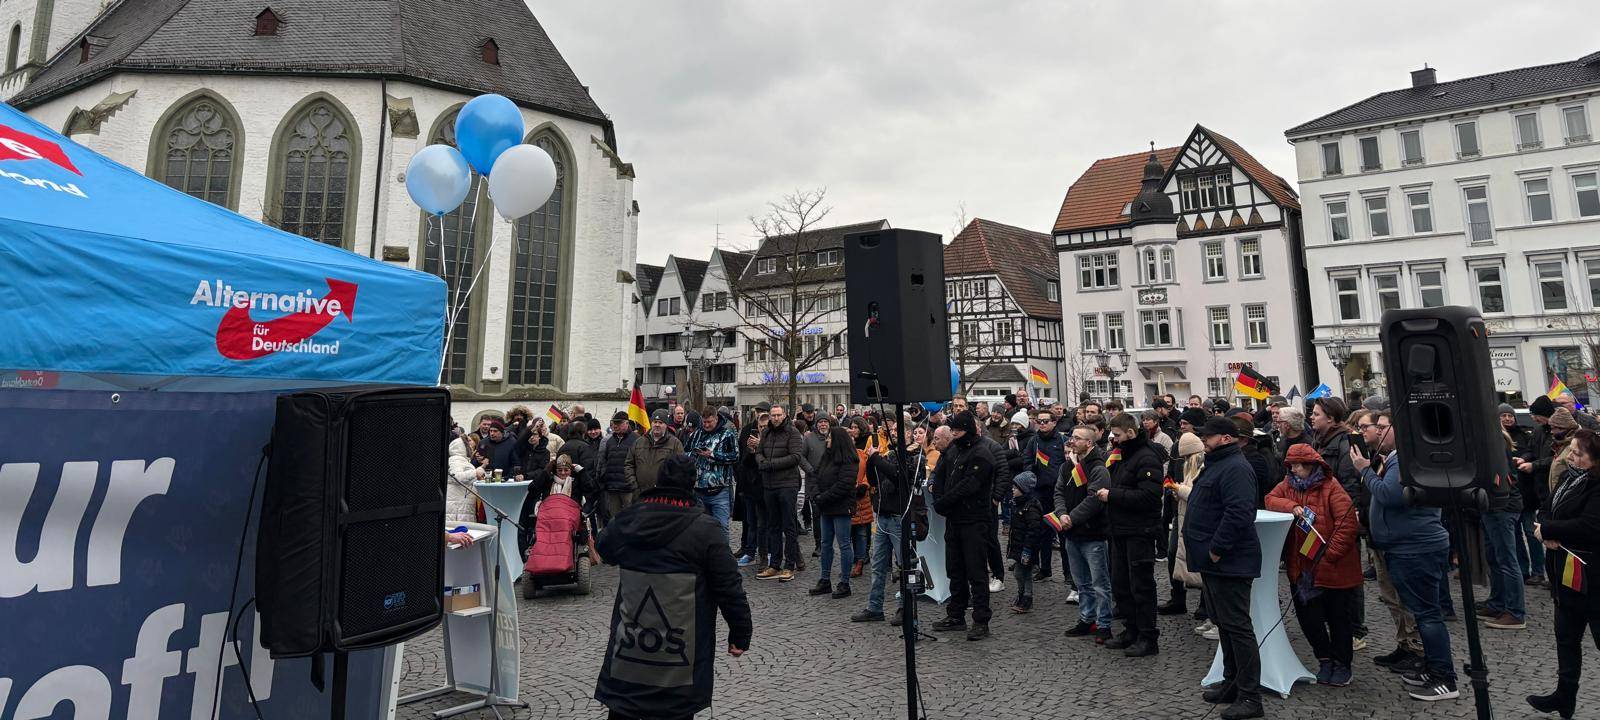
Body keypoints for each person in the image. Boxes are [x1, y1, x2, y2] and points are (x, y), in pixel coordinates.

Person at [593, 455, 752, 720]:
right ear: (693, 484)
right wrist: (740, 633)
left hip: (629, 653)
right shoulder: (706, 529)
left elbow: (604, 549)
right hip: (680, 660)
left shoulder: (630, 518)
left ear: (659, 480)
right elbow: (729, 587)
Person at [1357, 413, 1458, 702]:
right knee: (1422, 611)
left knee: (1427, 615)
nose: (1376, 430)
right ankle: (1431, 667)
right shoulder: (1397, 458)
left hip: (1415, 546)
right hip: (1406, 545)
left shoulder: (1403, 459)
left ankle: (1444, 678)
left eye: (1382, 426)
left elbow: (1391, 495)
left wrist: (1365, 471)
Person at [1185, 417, 1264, 719]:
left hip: (1230, 561)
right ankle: (1231, 681)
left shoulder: (1236, 468)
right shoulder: (1218, 462)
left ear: (1227, 438)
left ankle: (1250, 697)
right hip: (1214, 562)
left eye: (1210, 436)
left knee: (1238, 627)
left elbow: (1239, 513)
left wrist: (1216, 550)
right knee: (1225, 625)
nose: (1204, 440)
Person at [1265, 443, 1362, 688]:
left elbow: (1347, 524)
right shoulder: (1288, 486)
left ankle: (1342, 664)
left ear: (1312, 465)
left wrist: (1328, 555)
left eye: (1299, 465)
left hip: (1333, 568)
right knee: (1309, 618)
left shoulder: (1331, 488)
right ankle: (1324, 658)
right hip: (1301, 568)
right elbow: (1270, 499)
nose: (1295, 469)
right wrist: (1292, 506)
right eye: (1291, 465)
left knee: (1338, 618)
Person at [1528, 428, 1600, 718]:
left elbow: (1590, 526)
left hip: (1593, 578)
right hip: (1563, 574)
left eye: (1578, 453)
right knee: (1566, 638)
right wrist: (1544, 528)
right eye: (1572, 450)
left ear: (1594, 460)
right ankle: (1564, 696)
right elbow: (1546, 509)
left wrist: (1550, 530)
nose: (1571, 455)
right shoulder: (1571, 477)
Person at [1099, 412, 1166, 657]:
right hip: (1120, 529)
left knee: (1141, 585)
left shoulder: (1147, 457)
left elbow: (1149, 497)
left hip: (1140, 530)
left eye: (1117, 435)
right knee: (1122, 584)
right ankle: (1131, 630)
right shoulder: (1123, 455)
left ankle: (1148, 637)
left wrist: (1112, 496)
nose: (1113, 440)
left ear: (1130, 432)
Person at [931, 411, 999, 641]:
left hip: (974, 520)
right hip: (954, 519)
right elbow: (940, 475)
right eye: (953, 431)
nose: (954, 435)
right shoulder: (954, 450)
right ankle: (956, 615)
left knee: (976, 571)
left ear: (967, 430)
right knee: (955, 569)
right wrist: (939, 498)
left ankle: (981, 620)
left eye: (957, 431)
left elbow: (969, 486)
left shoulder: (982, 454)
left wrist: (943, 501)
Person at [854, 424, 931, 626]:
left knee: (905, 565)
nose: (893, 433)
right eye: (893, 430)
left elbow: (899, 477)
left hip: (900, 517)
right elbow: (874, 479)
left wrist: (876, 459)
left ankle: (904, 608)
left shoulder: (915, 455)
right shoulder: (888, 454)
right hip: (884, 515)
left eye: (900, 430)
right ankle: (875, 607)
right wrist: (872, 460)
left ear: (910, 433)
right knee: (878, 566)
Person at [1057, 424, 1114, 643]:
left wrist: (1072, 518)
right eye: (1072, 437)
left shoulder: (1098, 468)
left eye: (1077, 438)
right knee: (1082, 582)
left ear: (1089, 443)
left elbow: (1094, 499)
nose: (1072, 441)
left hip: (1093, 534)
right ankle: (1086, 618)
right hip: (1072, 533)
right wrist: (1062, 514)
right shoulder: (1067, 466)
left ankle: (1104, 624)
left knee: (1100, 583)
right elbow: (1059, 491)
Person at [1478, 424, 1529, 630]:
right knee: (1495, 557)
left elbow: (1500, 476)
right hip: (1494, 505)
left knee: (1507, 559)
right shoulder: (1493, 439)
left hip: (1502, 506)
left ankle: (1515, 612)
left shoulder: (1494, 441)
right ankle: (1498, 603)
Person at [754, 404, 804, 582]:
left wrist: (771, 464)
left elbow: (796, 457)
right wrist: (762, 462)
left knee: (789, 526)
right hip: (769, 485)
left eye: (778, 415)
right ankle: (774, 564)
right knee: (772, 526)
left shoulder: (792, 433)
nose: (775, 418)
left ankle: (789, 565)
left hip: (787, 485)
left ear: (784, 415)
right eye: (773, 415)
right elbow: (758, 452)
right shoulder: (766, 433)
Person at [808, 425, 858, 599]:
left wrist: (822, 497)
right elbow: (815, 474)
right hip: (826, 506)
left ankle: (845, 582)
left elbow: (844, 485)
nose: (827, 440)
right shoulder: (827, 456)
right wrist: (815, 494)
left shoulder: (849, 459)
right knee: (825, 543)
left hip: (841, 507)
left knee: (844, 544)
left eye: (829, 438)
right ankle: (825, 579)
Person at [1505, 403, 1547, 586]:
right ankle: (1522, 570)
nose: (1507, 419)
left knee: (1531, 533)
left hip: (1527, 493)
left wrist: (1524, 459)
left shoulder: (1525, 434)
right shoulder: (1494, 437)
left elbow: (1533, 453)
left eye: (1510, 415)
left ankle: (1538, 571)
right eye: (1503, 416)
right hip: (1508, 494)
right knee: (1515, 536)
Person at [686, 407, 740, 539]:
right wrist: (693, 454)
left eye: (709, 422)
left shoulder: (727, 434)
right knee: (701, 530)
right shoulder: (696, 434)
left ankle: (723, 558)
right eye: (704, 422)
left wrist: (713, 455)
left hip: (719, 490)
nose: (706, 425)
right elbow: (685, 451)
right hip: (699, 490)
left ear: (716, 419)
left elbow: (735, 456)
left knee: (721, 528)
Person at [1007, 468, 1048, 613]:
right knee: (1020, 573)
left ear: (1023, 489)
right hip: (1020, 546)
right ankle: (1022, 595)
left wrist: (1028, 549)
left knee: (1023, 573)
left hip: (1027, 548)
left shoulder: (1031, 507)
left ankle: (1027, 598)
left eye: (1015, 487)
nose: (1012, 489)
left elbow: (1034, 530)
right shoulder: (1017, 503)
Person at [627, 411, 686, 497]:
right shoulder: (638, 442)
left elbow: (681, 469)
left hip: (664, 496)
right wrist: (634, 487)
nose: (657, 425)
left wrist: (670, 489)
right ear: (651, 423)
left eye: (661, 422)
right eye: (655, 422)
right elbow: (629, 464)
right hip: (640, 495)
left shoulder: (675, 444)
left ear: (666, 425)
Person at [597, 412, 641, 523]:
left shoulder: (636, 440)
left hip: (628, 488)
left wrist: (634, 484)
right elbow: (604, 461)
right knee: (614, 520)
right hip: (612, 488)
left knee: (630, 519)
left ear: (626, 423)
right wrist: (604, 479)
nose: (615, 426)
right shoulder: (610, 441)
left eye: (618, 423)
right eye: (614, 423)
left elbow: (639, 464)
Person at [446, 435, 487, 523]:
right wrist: (476, 472)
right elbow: (457, 477)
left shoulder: (463, 461)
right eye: (468, 444)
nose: (471, 447)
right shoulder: (456, 460)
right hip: (458, 508)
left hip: (463, 506)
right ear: (462, 447)